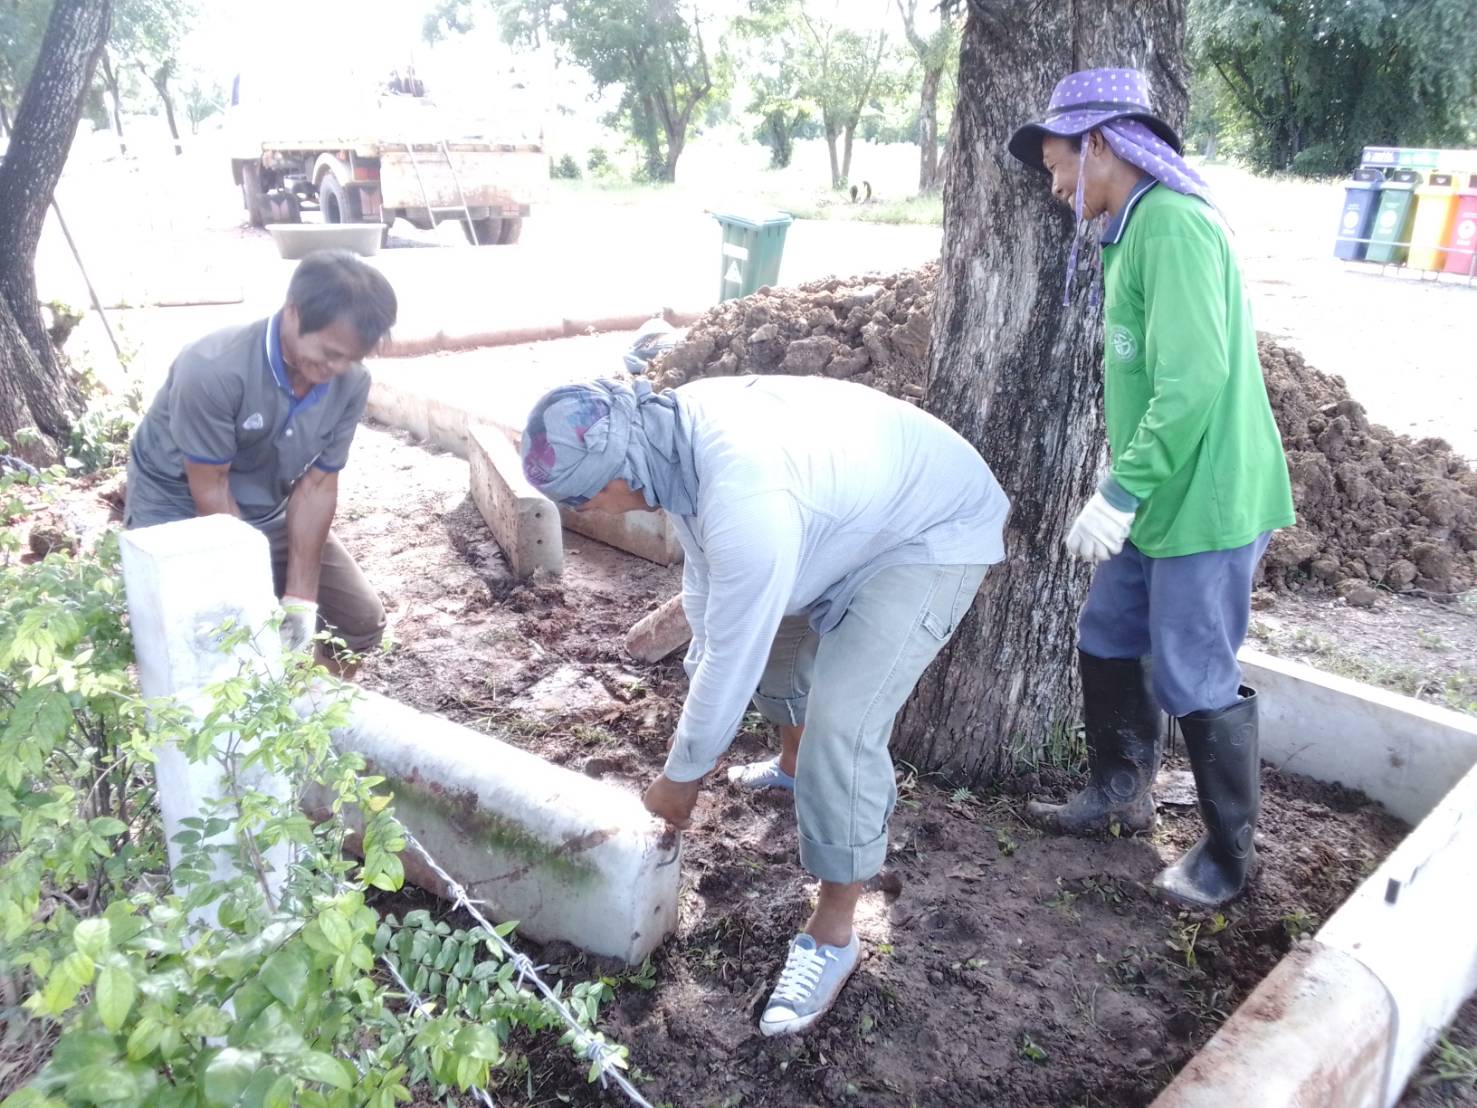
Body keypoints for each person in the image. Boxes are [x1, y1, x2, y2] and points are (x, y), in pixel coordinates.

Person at [520, 374, 1009, 1035]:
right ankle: (793, 763)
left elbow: (730, 650)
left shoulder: (744, 490)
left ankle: (834, 932)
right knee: (776, 645)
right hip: (848, 512)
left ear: (621, 468)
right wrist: (694, 718)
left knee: (844, 721)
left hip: (928, 531)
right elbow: (706, 588)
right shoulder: (670, 441)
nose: (594, 512)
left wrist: (680, 779)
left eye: (586, 498)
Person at [1006, 69, 1295, 908]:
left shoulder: (1170, 228)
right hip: (1161, 490)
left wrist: (1120, 490)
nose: (1056, 185)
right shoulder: (1130, 230)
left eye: (1059, 162)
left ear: (1101, 144)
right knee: (1107, 629)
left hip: (1206, 497)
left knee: (1191, 670)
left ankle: (1225, 859)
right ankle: (1119, 793)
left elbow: (1194, 381)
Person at [124, 250, 397, 670]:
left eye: (351, 358)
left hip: (267, 504)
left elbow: (318, 485)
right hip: (178, 506)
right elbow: (211, 490)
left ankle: (303, 718)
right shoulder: (212, 368)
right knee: (210, 641)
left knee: (359, 621)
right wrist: (253, 598)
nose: (337, 367)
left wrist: (300, 599)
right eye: (329, 352)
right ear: (293, 313)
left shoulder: (349, 382)